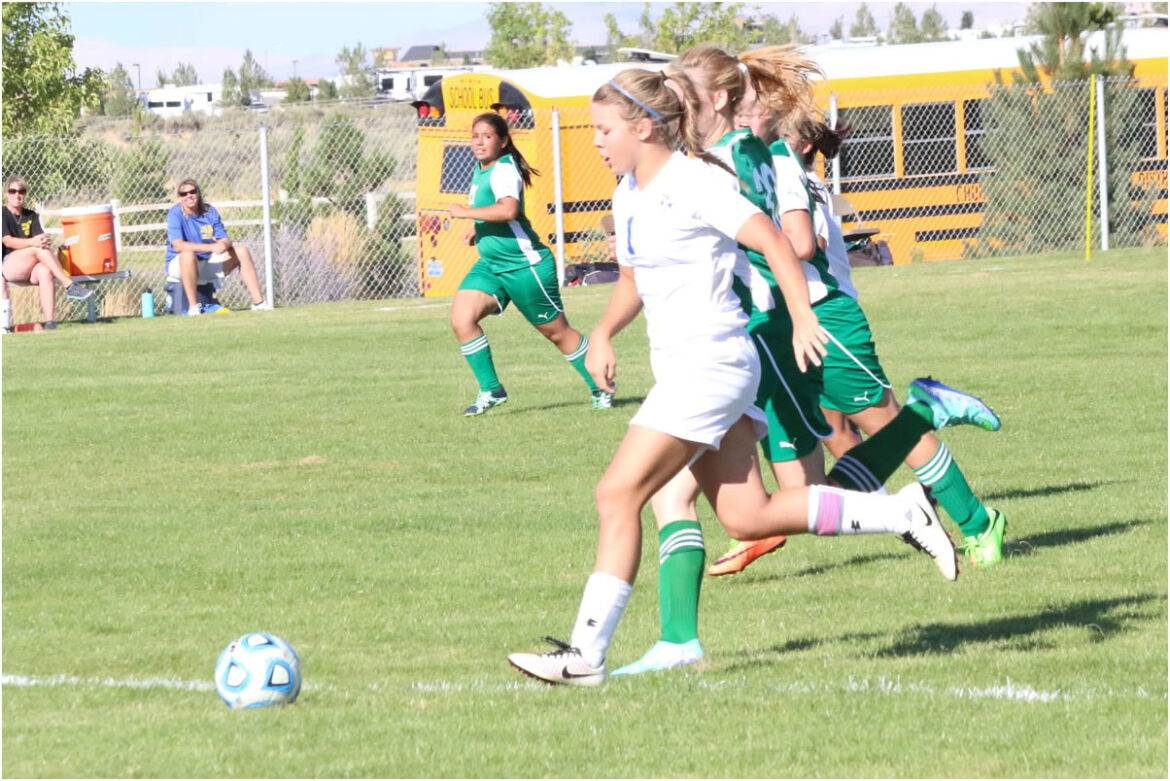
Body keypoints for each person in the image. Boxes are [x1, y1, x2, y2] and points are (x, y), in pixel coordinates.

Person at [506, 67, 958, 688]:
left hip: (711, 367)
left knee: (617, 494)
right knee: (748, 515)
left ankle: (586, 655)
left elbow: (775, 241)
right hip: (694, 371)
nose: (596, 141)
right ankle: (901, 513)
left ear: (645, 127)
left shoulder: (693, 181)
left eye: (604, 128)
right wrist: (605, 333)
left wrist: (802, 318)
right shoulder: (628, 193)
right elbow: (636, 281)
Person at [606, 46, 1001, 678]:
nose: (673, 105)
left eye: (681, 95)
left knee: (818, 475)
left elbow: (790, 242)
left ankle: (955, 499)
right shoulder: (708, 162)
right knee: (700, 496)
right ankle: (677, 638)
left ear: (714, 101)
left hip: (788, 324)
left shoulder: (739, 162)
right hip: (756, 331)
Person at [770, 103, 1007, 568]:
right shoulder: (767, 163)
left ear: (802, 143)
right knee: (827, 451)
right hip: (790, 323)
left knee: (891, 426)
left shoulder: (789, 168)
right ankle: (901, 512)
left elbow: (806, 244)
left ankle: (978, 521)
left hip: (824, 318)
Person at [447, 111, 612, 416]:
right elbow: (496, 211)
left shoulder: (503, 169)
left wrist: (465, 214)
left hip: (526, 266)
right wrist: (478, 228)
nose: (480, 142)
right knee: (461, 319)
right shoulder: (481, 167)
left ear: (503, 141)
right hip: (493, 264)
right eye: (475, 136)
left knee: (557, 333)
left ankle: (600, 386)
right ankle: (491, 389)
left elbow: (508, 210)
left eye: (487, 136)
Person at [165, 179, 270, 316]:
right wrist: (211, 248)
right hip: (180, 265)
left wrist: (223, 244)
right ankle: (193, 308)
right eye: (184, 194)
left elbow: (225, 239)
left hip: (206, 263)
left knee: (241, 251)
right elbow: (178, 245)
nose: (189, 196)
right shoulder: (174, 214)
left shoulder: (210, 211)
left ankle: (259, 303)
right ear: (179, 197)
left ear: (198, 193)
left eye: (192, 191)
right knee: (187, 254)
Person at [2, 176, 95, 330]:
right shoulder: (2, 214)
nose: (17, 195)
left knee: (45, 271)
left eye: (21, 191)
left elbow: (40, 240)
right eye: (13, 191)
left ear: (25, 194)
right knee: (37, 248)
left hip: (30, 265)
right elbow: (7, 241)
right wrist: (34, 243)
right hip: (8, 265)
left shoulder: (31, 215)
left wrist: (44, 241)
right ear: (6, 194)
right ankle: (69, 285)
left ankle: (50, 322)